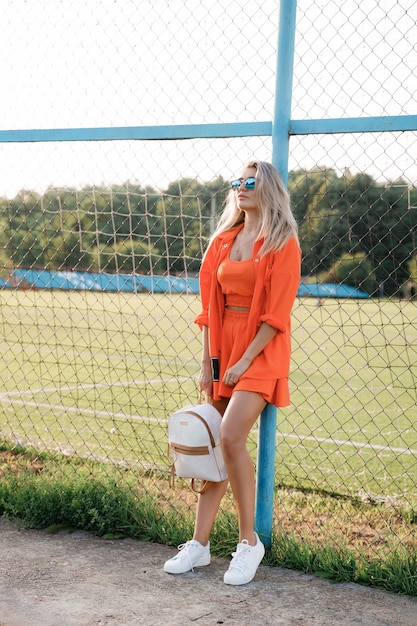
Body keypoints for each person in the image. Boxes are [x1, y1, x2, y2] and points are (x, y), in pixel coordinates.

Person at [164, 160, 301, 585]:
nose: (241, 189)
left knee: (229, 436)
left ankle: (248, 543)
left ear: (268, 190)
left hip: (261, 352)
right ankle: (200, 545)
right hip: (225, 349)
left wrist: (245, 361)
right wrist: (209, 362)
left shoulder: (283, 242)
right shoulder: (222, 241)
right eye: (237, 183)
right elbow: (208, 309)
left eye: (250, 183)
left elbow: (277, 314)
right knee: (211, 444)